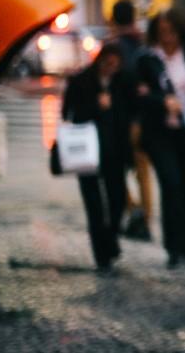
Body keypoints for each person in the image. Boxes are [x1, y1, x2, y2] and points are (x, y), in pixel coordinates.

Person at [136, 8, 185, 269]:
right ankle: (173, 249)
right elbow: (139, 95)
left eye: (171, 32)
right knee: (171, 186)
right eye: (162, 33)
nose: (167, 38)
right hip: (161, 134)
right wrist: (161, 101)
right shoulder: (148, 59)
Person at [61, 43, 130, 273]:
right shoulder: (82, 80)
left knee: (117, 200)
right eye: (108, 63)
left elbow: (129, 112)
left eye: (115, 65)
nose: (112, 68)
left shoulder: (121, 82)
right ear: (101, 60)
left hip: (115, 151)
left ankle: (110, 240)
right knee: (94, 205)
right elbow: (68, 113)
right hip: (87, 150)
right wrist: (95, 106)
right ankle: (102, 255)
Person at [108, 0, 153, 241]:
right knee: (142, 171)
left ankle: (134, 210)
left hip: (121, 119)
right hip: (143, 117)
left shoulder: (113, 48)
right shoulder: (143, 43)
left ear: (113, 19)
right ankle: (145, 219)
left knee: (114, 170)